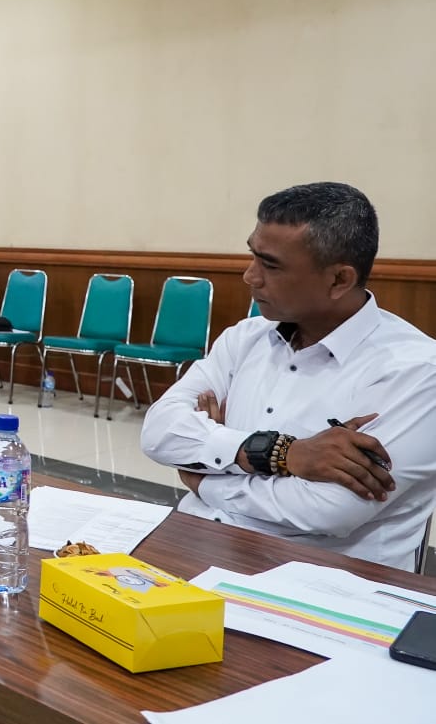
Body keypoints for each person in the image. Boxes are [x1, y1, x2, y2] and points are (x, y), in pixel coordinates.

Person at [141, 182, 436, 571]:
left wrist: (205, 476)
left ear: (339, 280)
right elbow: (158, 431)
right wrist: (281, 453)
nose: (250, 276)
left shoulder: (416, 372)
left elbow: (329, 511)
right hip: (195, 542)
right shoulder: (244, 339)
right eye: (253, 255)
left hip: (315, 580)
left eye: (271, 265)